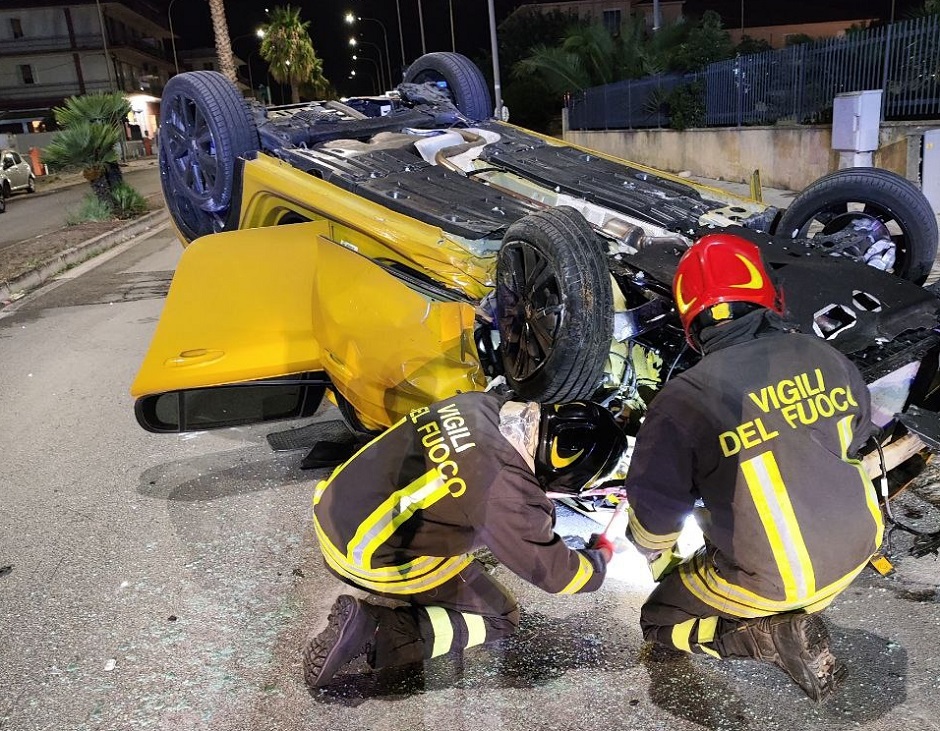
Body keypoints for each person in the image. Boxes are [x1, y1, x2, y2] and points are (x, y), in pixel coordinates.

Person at [623, 232, 884, 702]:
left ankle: (765, 637)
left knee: (658, 621)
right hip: (862, 547)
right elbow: (858, 437)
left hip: (783, 578)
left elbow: (654, 515)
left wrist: (653, 552)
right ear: (767, 297)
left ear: (691, 321)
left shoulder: (684, 398)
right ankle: (772, 607)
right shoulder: (827, 358)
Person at [303, 390, 628, 688]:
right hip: (362, 553)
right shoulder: (507, 494)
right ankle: (372, 632)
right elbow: (559, 576)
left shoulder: (481, 404)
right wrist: (601, 556)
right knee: (500, 616)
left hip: (333, 504)